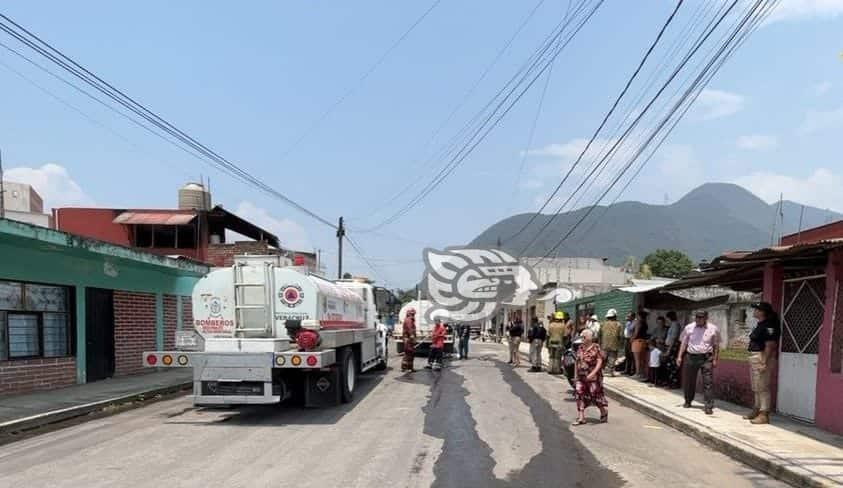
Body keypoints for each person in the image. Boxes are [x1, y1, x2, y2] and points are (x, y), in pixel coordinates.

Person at [677, 310, 720, 414]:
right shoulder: (689, 327)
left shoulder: (713, 329)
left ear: (706, 318)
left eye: (701, 318)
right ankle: (688, 400)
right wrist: (679, 357)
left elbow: (716, 345)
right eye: (697, 317)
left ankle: (708, 405)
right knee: (689, 381)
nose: (698, 319)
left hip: (706, 358)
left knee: (708, 382)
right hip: (691, 357)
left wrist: (715, 359)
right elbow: (683, 343)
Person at [745, 302, 780, 425]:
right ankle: (756, 409)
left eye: (757, 309)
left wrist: (764, 362)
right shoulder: (760, 324)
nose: (754, 311)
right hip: (755, 356)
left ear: (763, 312)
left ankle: (764, 414)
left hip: (762, 357)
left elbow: (770, 345)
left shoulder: (769, 325)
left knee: (762, 387)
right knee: (756, 386)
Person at [572, 329, 609, 426]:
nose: (582, 338)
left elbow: (599, 362)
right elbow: (577, 362)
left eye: (584, 336)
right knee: (579, 394)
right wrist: (575, 376)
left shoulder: (596, 348)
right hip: (581, 377)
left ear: (589, 338)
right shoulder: (580, 348)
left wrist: (592, 374)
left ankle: (603, 412)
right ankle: (581, 417)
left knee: (595, 395)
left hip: (593, 378)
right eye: (582, 336)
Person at [599, 309, 622, 376]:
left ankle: (601, 371)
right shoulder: (618, 324)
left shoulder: (602, 324)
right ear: (615, 316)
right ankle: (610, 372)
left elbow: (599, 334)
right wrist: (620, 344)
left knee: (603, 358)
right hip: (614, 345)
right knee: (612, 358)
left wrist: (600, 343)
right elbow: (620, 336)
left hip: (604, 345)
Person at [664, 311, 682, 389]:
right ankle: (669, 383)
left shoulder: (675, 325)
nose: (666, 320)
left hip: (672, 347)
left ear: (669, 318)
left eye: (667, 318)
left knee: (671, 366)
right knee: (669, 366)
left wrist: (669, 350)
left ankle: (672, 384)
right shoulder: (673, 325)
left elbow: (673, 339)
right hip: (670, 347)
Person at [631, 310, 650, 381]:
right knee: (642, 359)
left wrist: (632, 339)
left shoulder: (638, 322)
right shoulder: (645, 323)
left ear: (639, 316)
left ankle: (637, 373)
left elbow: (636, 332)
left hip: (637, 341)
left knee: (637, 359)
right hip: (643, 341)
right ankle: (642, 373)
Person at [401, 308, 417, 373]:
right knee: (409, 353)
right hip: (408, 340)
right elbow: (410, 329)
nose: (414, 315)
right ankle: (407, 367)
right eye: (413, 313)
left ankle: (407, 367)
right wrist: (412, 336)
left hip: (408, 339)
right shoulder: (409, 320)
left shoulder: (409, 319)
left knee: (409, 353)